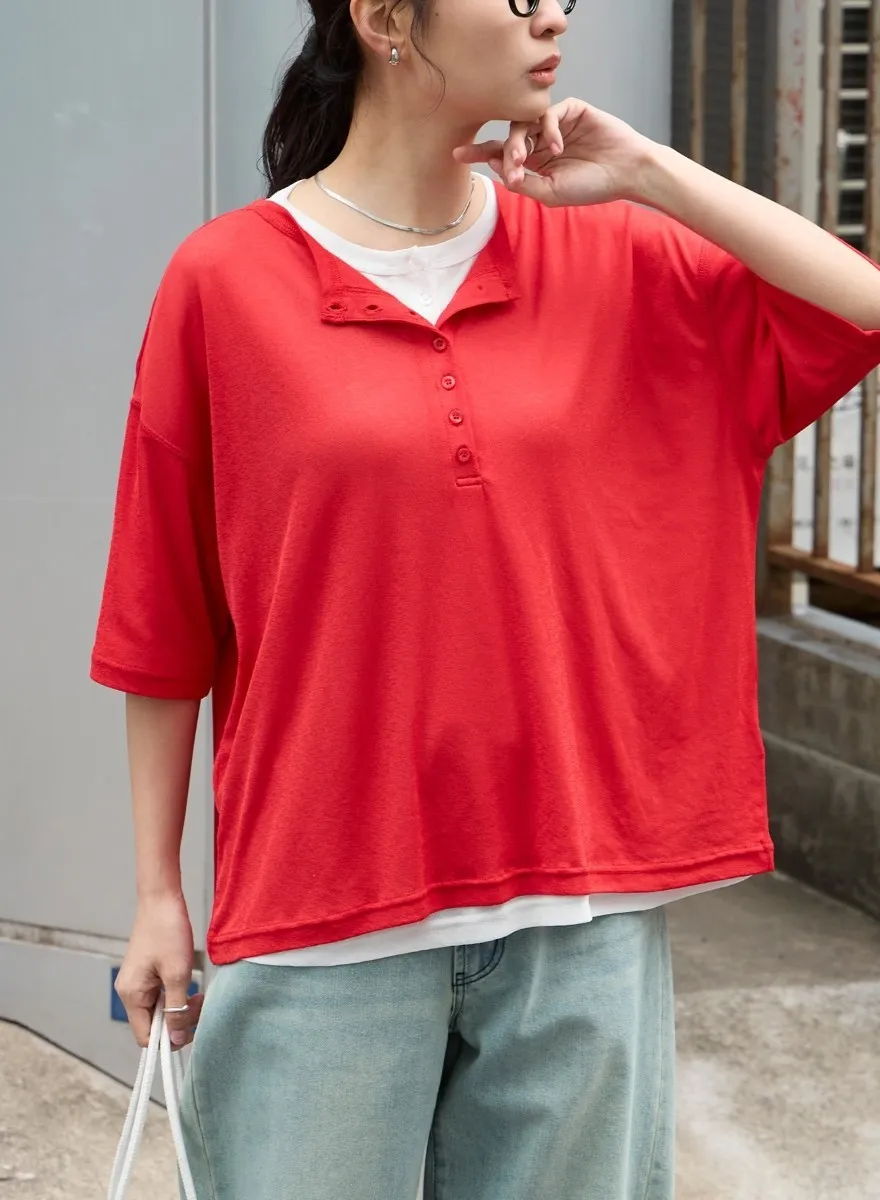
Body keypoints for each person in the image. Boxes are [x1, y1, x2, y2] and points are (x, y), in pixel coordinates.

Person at [91, 0, 880, 1193]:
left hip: (579, 914)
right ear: (384, 18)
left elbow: (853, 308)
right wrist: (158, 893)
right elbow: (162, 614)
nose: (551, 12)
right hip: (323, 915)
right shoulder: (225, 282)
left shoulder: (608, 254)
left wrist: (650, 172)